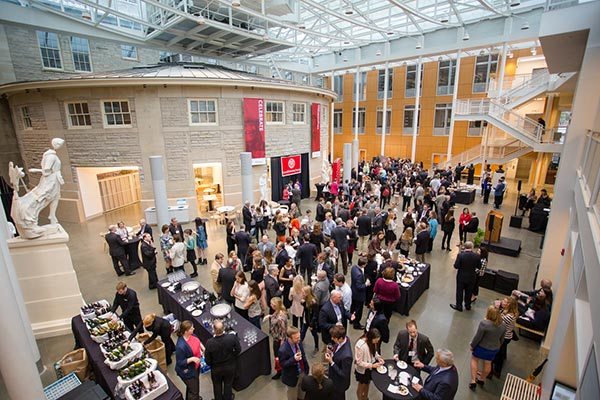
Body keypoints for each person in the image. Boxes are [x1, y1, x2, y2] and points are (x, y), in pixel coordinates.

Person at [469, 306, 506, 390]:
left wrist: (472, 345)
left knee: (474, 360)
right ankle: (482, 379)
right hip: (493, 348)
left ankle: (473, 381)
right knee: (488, 363)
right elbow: (502, 339)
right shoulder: (503, 325)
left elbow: (478, 337)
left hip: (482, 347)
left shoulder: (484, 323)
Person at [204, 320, 240, 400]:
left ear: (214, 329)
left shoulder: (209, 343)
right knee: (228, 384)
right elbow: (238, 350)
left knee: (217, 386)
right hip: (229, 366)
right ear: (223, 328)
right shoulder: (231, 338)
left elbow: (208, 360)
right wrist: (232, 357)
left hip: (216, 369)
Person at [175, 321, 203, 400]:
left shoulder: (192, 335)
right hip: (188, 372)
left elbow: (198, 341)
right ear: (186, 331)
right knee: (194, 391)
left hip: (195, 367)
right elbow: (180, 362)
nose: (193, 329)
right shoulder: (181, 346)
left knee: (192, 388)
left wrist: (203, 348)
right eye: (191, 328)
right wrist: (192, 359)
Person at [279, 326, 309, 400]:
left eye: (299, 336)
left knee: (302, 394)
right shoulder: (283, 350)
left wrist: (306, 370)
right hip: (292, 377)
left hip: (302, 373)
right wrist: (293, 359)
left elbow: (304, 355)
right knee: (292, 397)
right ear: (289, 338)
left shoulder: (299, 342)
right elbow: (282, 364)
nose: (299, 339)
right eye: (296, 338)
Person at [491, 297, 519, 378]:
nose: (502, 302)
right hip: (505, 336)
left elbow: (497, 319)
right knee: (500, 352)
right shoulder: (507, 312)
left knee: (498, 355)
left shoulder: (509, 316)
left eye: (504, 301)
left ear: (509, 305)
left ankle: (496, 371)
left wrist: (495, 308)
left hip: (504, 337)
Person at [324, 326, 353, 400]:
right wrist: (332, 350)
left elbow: (343, 374)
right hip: (333, 377)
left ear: (340, 338)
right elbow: (338, 347)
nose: (332, 339)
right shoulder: (346, 339)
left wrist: (331, 362)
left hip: (339, 384)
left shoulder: (347, 356)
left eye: (334, 338)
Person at [450, 241, 480, 312]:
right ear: (472, 247)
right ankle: (467, 305)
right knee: (469, 291)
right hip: (472, 277)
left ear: (464, 247)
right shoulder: (476, 256)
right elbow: (479, 266)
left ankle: (459, 306)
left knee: (459, 291)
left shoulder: (460, 255)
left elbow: (456, 266)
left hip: (461, 277)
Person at [354, 329, 384, 400]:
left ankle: (365, 397)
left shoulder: (372, 342)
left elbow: (374, 352)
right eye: (376, 340)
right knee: (361, 387)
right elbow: (359, 362)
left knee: (367, 383)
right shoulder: (360, 345)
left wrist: (378, 357)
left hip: (369, 367)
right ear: (371, 338)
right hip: (362, 370)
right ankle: (360, 398)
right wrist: (372, 365)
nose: (376, 342)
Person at [264, 297, 288, 380]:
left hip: (278, 340)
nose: (270, 305)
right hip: (276, 339)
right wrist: (270, 316)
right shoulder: (277, 312)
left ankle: (280, 372)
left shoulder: (280, 318)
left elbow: (283, 331)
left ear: (275, 306)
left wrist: (282, 342)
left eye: (271, 304)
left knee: (278, 357)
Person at [300, 285, 320, 354]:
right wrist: (302, 303)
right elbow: (306, 310)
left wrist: (311, 325)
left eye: (303, 292)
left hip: (311, 322)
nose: (301, 294)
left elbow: (315, 315)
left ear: (307, 293)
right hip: (305, 320)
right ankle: (299, 344)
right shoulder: (305, 300)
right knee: (302, 332)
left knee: (314, 334)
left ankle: (317, 347)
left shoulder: (313, 302)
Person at [350, 257, 368, 330]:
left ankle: (351, 319)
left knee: (353, 307)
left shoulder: (354, 267)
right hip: (359, 295)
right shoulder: (359, 274)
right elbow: (359, 286)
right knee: (358, 310)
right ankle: (356, 324)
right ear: (363, 265)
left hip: (353, 292)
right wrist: (366, 284)